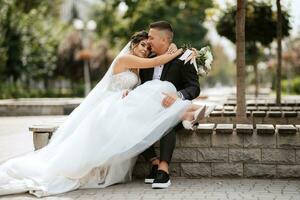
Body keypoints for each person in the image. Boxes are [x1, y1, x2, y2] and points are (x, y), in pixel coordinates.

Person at [0, 30, 205, 197]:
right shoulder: (125, 60)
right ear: (133, 44)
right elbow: (154, 63)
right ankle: (189, 114)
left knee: (145, 108)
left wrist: (189, 55)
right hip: (110, 105)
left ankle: (179, 127)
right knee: (145, 103)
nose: (146, 49)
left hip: (125, 103)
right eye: (143, 45)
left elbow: (147, 85)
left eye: (148, 46)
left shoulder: (138, 68)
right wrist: (182, 51)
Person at [140, 21, 200, 189]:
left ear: (164, 40)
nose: (148, 40)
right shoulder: (147, 62)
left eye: (151, 37)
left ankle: (164, 171)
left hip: (173, 110)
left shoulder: (183, 58)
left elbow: (194, 88)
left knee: (167, 121)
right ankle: (154, 163)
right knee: (133, 121)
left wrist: (177, 95)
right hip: (149, 111)